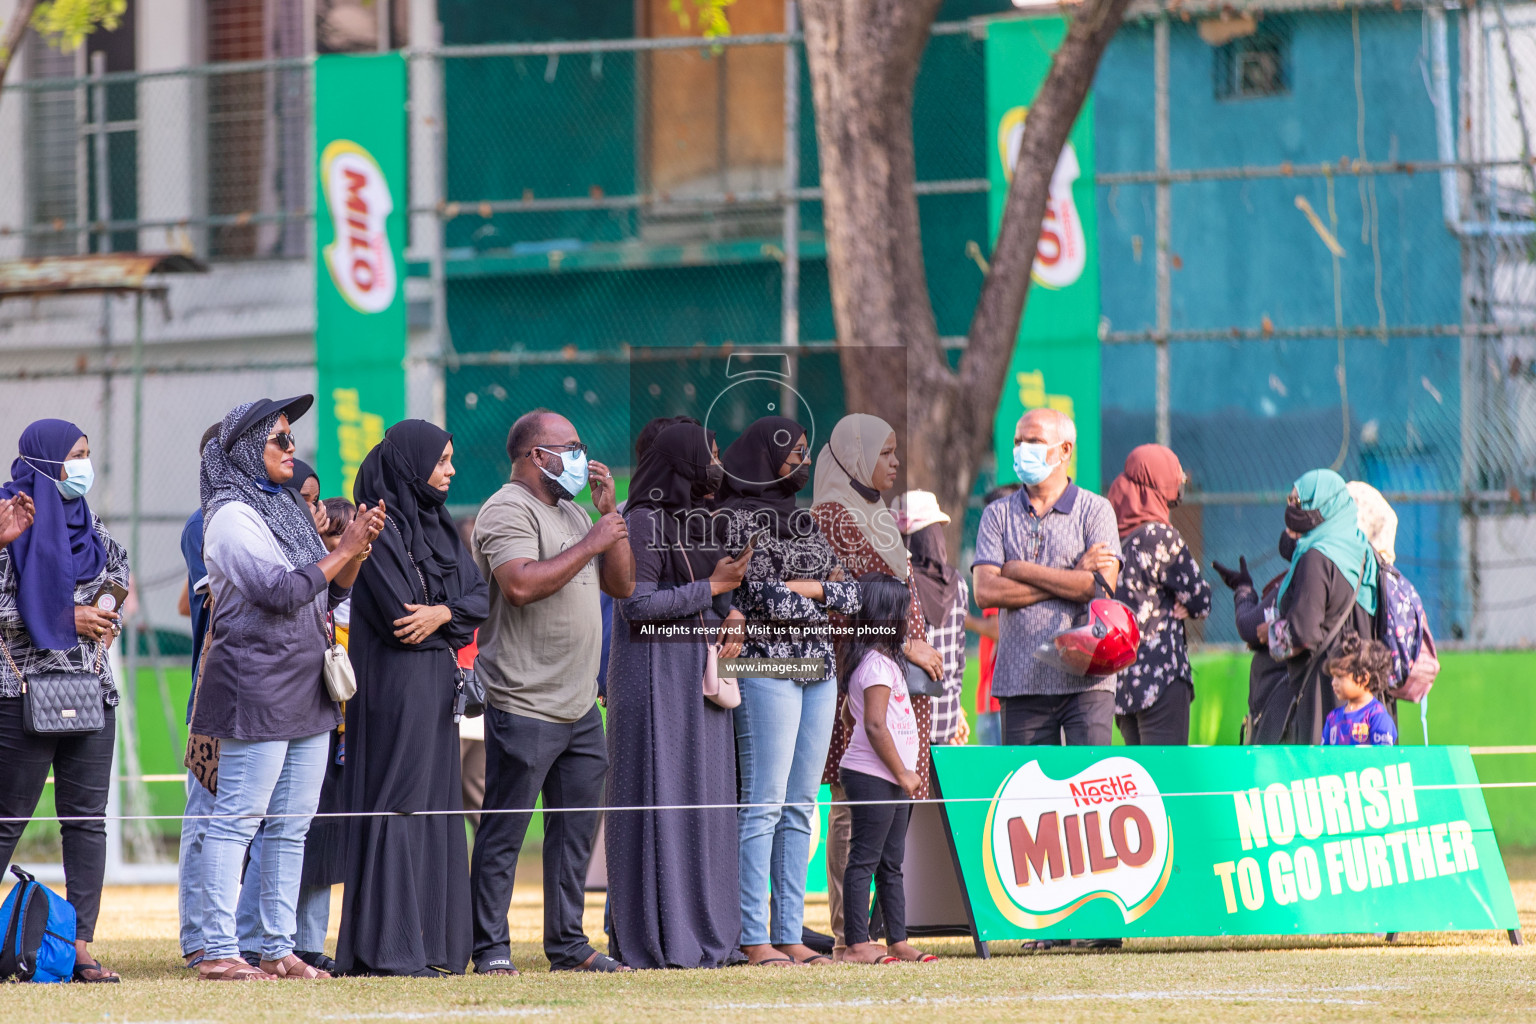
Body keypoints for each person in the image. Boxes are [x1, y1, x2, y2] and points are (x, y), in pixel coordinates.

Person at [192, 396, 384, 982]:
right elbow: (278, 591)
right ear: (247, 448)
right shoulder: (229, 516)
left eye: (291, 438)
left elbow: (328, 594)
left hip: (308, 686)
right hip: (254, 684)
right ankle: (219, 949)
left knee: (291, 824)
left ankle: (277, 947)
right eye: (280, 439)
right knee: (236, 820)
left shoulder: (284, 509)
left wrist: (354, 548)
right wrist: (342, 552)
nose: (292, 449)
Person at [470, 410, 635, 976]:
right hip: (525, 700)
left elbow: (623, 584)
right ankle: (490, 947)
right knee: (506, 831)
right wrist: (592, 539)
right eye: (569, 447)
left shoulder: (573, 509)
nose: (581, 457)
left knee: (575, 834)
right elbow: (518, 585)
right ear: (534, 455)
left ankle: (567, 945)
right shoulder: (506, 509)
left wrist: (608, 516)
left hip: (580, 704)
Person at [337, 420, 490, 977]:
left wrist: (445, 613)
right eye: (442, 460)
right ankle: (390, 947)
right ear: (409, 465)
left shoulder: (440, 527)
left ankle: (434, 945)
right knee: (398, 801)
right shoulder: (374, 529)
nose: (450, 471)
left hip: (435, 686)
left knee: (434, 802)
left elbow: (478, 599)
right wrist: (446, 614)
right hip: (394, 687)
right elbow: (404, 618)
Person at [604, 421, 749, 969]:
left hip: (696, 673)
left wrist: (728, 610)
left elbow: (705, 597)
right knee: (661, 795)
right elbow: (636, 607)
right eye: (707, 455)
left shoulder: (694, 521)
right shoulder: (641, 521)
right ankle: (662, 935)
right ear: (680, 462)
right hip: (653, 672)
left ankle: (710, 934)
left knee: (704, 799)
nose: (715, 464)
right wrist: (710, 589)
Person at [719, 415, 861, 968]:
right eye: (793, 452)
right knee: (764, 804)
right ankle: (754, 937)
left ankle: (788, 933)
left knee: (803, 805)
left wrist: (810, 590)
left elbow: (851, 597)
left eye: (807, 450)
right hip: (765, 667)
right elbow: (759, 595)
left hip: (818, 669)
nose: (802, 461)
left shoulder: (805, 523)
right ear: (762, 456)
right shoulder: (733, 519)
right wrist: (819, 593)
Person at [810, 415, 940, 960]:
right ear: (855, 457)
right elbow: (847, 595)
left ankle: (887, 936)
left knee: (887, 825)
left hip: (895, 675)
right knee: (854, 808)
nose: (894, 463)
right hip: (861, 675)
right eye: (885, 453)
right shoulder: (833, 517)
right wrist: (904, 642)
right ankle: (849, 936)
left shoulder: (874, 512)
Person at [0, 420, 124, 983]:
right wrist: (66, 616)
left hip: (90, 691)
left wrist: (104, 605)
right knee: (7, 820)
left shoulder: (87, 521)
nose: (83, 467)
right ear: (46, 462)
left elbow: (117, 568)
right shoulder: (10, 517)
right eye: (74, 456)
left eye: (88, 455)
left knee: (86, 822)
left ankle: (80, 945)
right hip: (23, 692)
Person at [971, 409, 1122, 746]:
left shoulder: (1095, 510)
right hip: (1019, 682)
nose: (1022, 449)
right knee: (1030, 797)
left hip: (1087, 681)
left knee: (1091, 792)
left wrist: (1020, 569)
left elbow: (1098, 587)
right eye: (1018, 442)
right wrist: (1071, 577)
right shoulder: (997, 515)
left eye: (1034, 441)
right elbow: (985, 591)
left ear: (1065, 450)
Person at [836, 573, 936, 965]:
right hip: (876, 777)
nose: (908, 619)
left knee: (891, 864)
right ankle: (856, 943)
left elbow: (849, 715)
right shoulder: (877, 666)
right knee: (864, 858)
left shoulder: (877, 662)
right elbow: (874, 725)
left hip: (886, 776)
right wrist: (903, 772)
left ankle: (898, 939)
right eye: (903, 612)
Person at [1105, 444, 1212, 745]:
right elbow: (1200, 600)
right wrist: (1186, 602)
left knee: (1141, 781)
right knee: (1166, 780)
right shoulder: (1159, 536)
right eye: (1174, 473)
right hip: (1160, 675)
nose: (1180, 480)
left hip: (1124, 680)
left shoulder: (1112, 533)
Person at [1264, 469, 1379, 745]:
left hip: (1326, 687)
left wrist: (1267, 631)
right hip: (1361, 686)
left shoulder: (1317, 557)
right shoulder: (1360, 549)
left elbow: (1303, 632)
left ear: (1325, 506)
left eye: (1300, 502)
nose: (1292, 509)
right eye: (1290, 501)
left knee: (1322, 776)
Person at [177, 422, 223, 971]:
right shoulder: (202, 525)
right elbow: (215, 603)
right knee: (205, 817)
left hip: (268, 698)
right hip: (211, 699)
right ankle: (198, 937)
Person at [891, 490, 971, 746]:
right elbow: (958, 662)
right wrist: (955, 710)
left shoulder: (896, 585)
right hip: (944, 723)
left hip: (900, 723)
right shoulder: (958, 585)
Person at [1322, 634, 1397, 746]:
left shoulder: (1377, 717)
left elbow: (1382, 759)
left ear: (1363, 678)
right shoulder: (1332, 718)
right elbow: (1323, 758)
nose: (1333, 683)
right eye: (1333, 677)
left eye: (1339, 676)